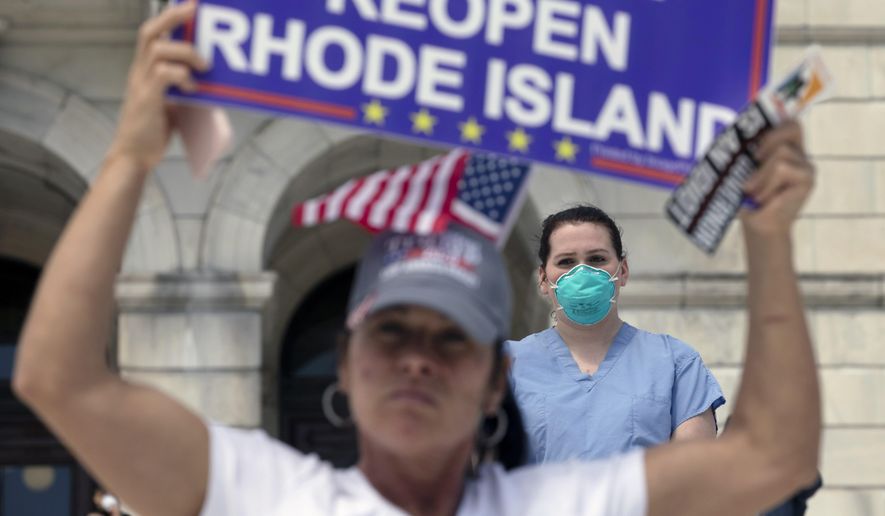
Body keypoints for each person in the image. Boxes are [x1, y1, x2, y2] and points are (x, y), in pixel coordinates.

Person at [13, 3, 821, 515]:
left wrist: (769, 236)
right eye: (391, 333)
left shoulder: (567, 503)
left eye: (448, 340)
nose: (417, 362)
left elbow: (770, 459)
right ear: (346, 362)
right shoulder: (270, 497)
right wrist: (127, 158)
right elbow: (58, 377)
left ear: (494, 377)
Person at [507, 204, 724, 463]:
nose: (583, 273)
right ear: (543, 279)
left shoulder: (677, 364)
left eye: (597, 259)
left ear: (622, 271)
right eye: (566, 262)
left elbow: (693, 474)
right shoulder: (507, 365)